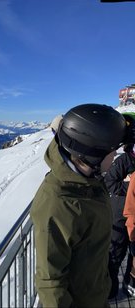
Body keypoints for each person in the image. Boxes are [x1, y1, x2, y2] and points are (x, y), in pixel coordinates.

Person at [33, 103, 128, 307]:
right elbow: (51, 282)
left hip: (97, 292)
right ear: (93, 155)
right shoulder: (57, 204)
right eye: (113, 151)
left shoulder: (87, 180)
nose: (116, 156)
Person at [104, 118, 135, 299]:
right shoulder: (123, 160)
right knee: (115, 253)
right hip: (119, 215)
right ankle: (110, 289)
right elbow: (110, 183)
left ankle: (128, 284)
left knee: (133, 252)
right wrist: (131, 186)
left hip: (133, 215)